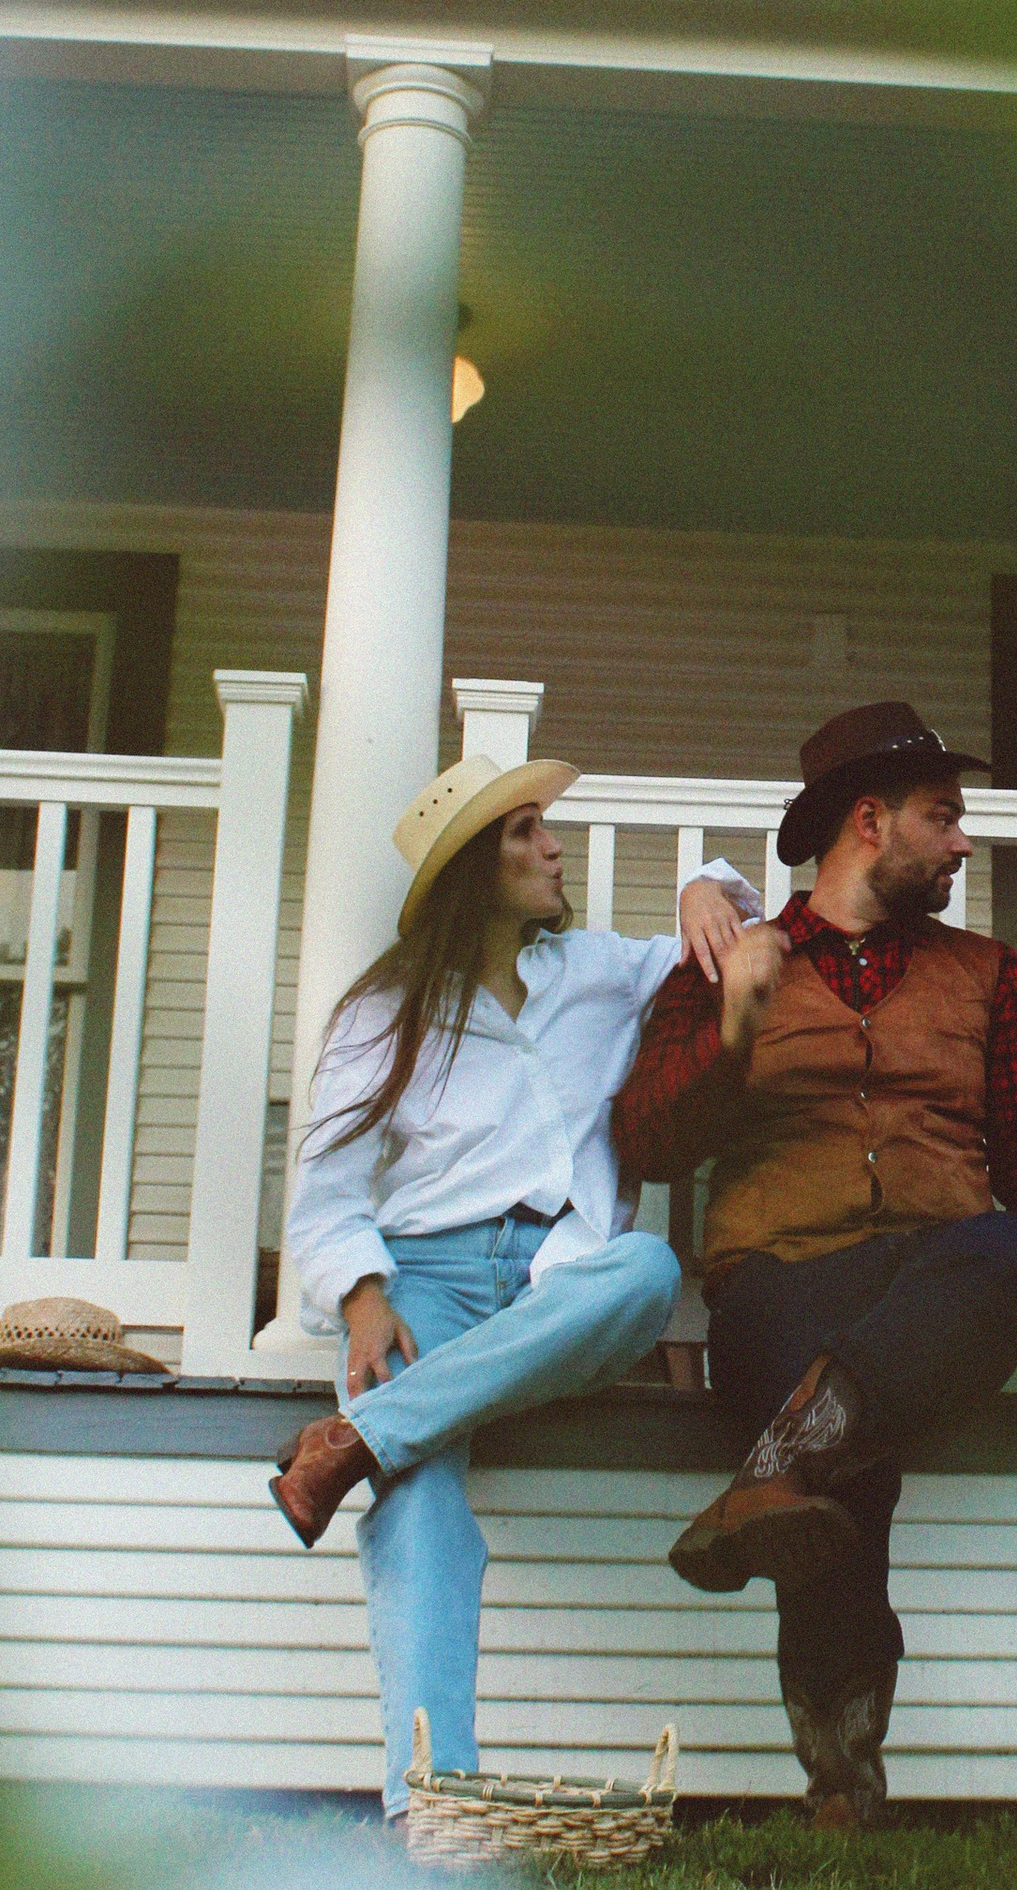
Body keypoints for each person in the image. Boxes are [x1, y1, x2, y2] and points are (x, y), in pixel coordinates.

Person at [612, 701, 1017, 1829]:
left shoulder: (985, 971)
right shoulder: (725, 961)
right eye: (946, 818)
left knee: (1008, 1248)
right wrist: (733, 1035)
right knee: (848, 1449)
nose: (963, 842)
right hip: (778, 1276)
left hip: (941, 1266)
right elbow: (645, 1139)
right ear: (871, 822)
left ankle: (772, 1488)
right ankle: (845, 1769)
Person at [272, 749, 761, 1816]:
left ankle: (360, 1436)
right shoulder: (382, 1014)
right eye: (523, 833)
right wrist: (361, 1297)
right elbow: (325, 1193)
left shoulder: (596, 971)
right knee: (418, 1500)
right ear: (469, 875)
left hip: (564, 1279)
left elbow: (733, 928)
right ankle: (433, 1800)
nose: (552, 848)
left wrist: (701, 885)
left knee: (645, 1270)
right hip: (425, 1281)